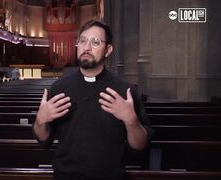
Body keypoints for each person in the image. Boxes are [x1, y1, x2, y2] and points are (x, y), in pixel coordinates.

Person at [33, 20, 153, 180]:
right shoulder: (59, 88)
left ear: (108, 50)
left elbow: (140, 145)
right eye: (82, 41)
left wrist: (131, 121)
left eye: (95, 42)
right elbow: (43, 139)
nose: (86, 47)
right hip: (65, 176)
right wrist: (40, 121)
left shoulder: (125, 91)